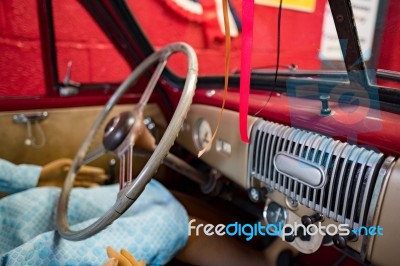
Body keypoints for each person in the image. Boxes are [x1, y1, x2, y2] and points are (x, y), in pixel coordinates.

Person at [0, 158, 288, 265]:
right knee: (170, 223)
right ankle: (262, 261)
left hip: (11, 216)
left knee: (147, 194)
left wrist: (26, 176)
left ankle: (253, 234)